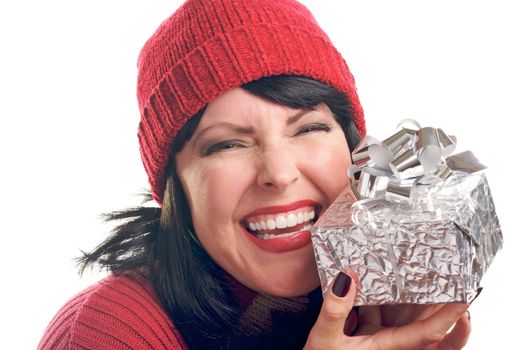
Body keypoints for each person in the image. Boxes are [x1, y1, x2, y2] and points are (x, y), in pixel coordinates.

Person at [38, 0, 471, 349]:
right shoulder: (106, 335)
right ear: (174, 189)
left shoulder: (377, 309)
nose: (279, 174)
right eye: (228, 144)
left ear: (358, 153)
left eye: (308, 128)